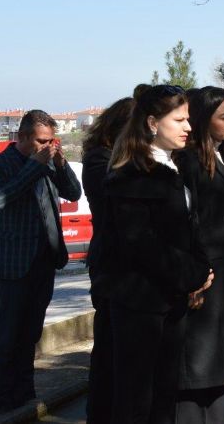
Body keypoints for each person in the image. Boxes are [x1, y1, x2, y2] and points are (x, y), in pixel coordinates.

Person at [99, 85, 213, 424]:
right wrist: (192, 274)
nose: (188, 127)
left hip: (170, 297)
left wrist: (201, 269)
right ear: (152, 122)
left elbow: (187, 228)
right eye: (178, 120)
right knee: (137, 400)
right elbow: (141, 244)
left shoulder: (173, 166)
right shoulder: (133, 174)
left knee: (164, 396)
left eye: (188, 119)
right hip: (139, 302)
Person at [0, 109, 83, 413]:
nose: (46, 147)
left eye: (51, 141)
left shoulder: (49, 163)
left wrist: (60, 165)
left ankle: (25, 393)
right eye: (40, 141)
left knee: (31, 332)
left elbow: (73, 192)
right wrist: (35, 167)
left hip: (44, 261)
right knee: (10, 332)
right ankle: (4, 399)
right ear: (22, 137)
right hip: (12, 263)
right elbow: (0, 199)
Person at [173, 88, 224, 423]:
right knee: (197, 376)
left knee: (221, 375)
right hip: (205, 281)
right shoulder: (189, 161)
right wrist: (193, 277)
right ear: (201, 118)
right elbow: (186, 224)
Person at [81, 95, 137, 424]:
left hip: (120, 263)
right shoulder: (99, 159)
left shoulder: (116, 157)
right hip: (110, 264)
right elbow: (113, 205)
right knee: (107, 345)